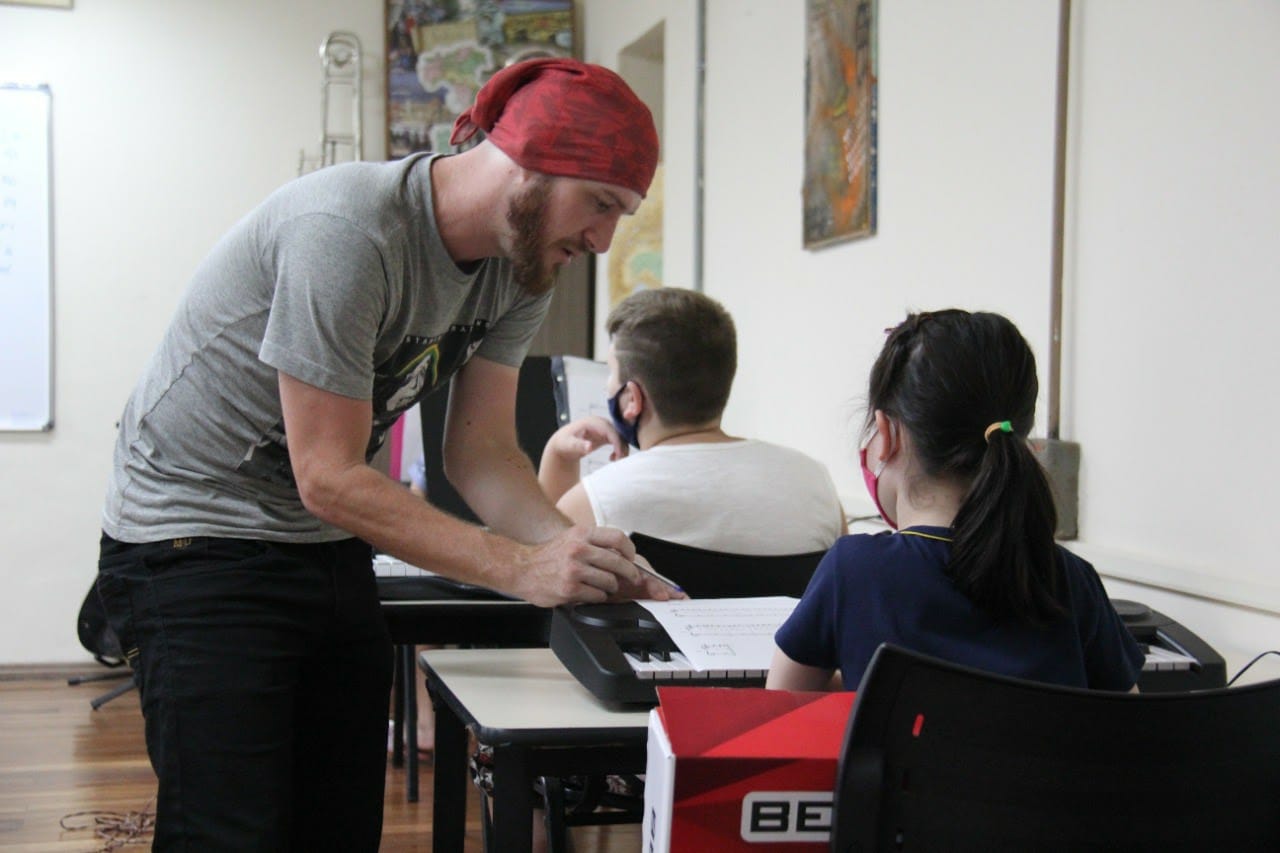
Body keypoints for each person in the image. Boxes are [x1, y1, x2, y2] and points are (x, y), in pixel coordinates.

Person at [95, 58, 677, 851]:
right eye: (601, 203)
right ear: (531, 160)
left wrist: (582, 556)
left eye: (622, 214)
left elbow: (481, 453)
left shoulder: (522, 270)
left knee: (338, 826)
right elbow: (328, 474)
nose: (604, 240)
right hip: (190, 532)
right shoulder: (348, 230)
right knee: (229, 832)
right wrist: (519, 568)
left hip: (319, 537)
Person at [768, 309, 1144, 693]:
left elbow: (782, 698)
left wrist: (862, 684)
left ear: (887, 435)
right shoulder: (1071, 579)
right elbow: (1130, 718)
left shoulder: (854, 570)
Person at [539, 287, 847, 555]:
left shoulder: (598, 501)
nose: (608, 385)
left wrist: (557, 456)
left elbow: (541, 566)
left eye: (611, 372)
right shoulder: (814, 482)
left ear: (632, 399)